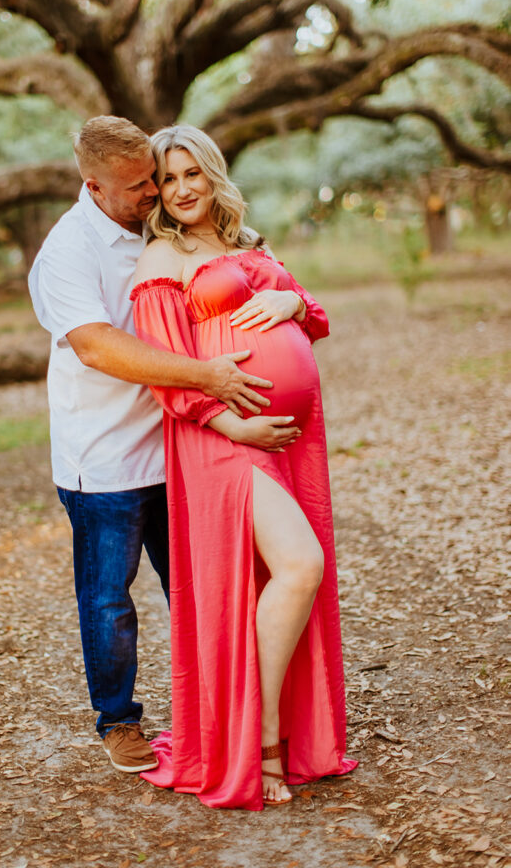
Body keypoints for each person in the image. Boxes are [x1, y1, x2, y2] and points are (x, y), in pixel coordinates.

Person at [27, 116, 300, 775]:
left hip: (182, 444)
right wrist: (208, 377)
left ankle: (217, 709)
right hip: (106, 458)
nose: (153, 190)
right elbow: (97, 347)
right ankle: (118, 720)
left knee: (198, 587)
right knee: (108, 597)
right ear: (92, 186)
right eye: (137, 185)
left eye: (157, 175)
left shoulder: (157, 230)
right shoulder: (66, 253)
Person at [131, 124, 357, 810]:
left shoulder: (245, 245)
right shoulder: (161, 261)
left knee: (287, 575)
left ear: (211, 172)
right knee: (299, 565)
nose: (181, 190)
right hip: (222, 438)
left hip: (282, 441)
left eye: (190, 173)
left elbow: (310, 314)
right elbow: (168, 377)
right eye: (167, 180)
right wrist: (236, 422)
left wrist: (291, 301)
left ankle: (281, 735)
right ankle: (255, 744)